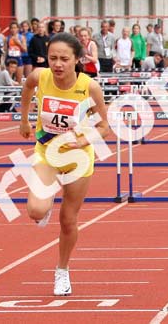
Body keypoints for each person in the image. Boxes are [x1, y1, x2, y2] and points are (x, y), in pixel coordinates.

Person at [19, 33, 110, 296]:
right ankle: (44, 204)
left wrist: (82, 141)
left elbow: (105, 128)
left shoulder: (88, 87)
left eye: (64, 59)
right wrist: (24, 120)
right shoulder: (40, 77)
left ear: (77, 60)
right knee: (36, 211)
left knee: (68, 220)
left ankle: (62, 270)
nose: (57, 64)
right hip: (47, 151)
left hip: (78, 160)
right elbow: (26, 89)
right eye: (53, 58)